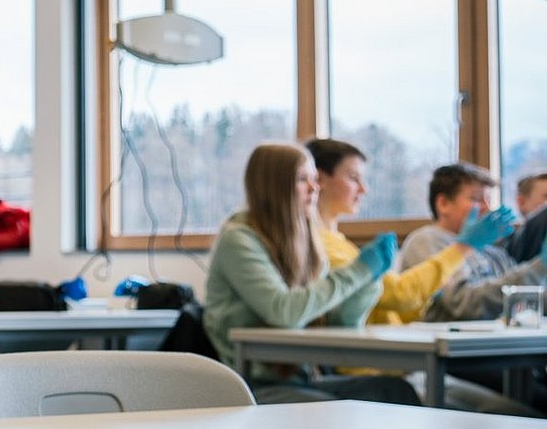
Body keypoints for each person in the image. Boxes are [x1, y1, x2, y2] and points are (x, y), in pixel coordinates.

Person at [304, 140, 525, 412]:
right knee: (507, 413)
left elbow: (392, 309)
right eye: (353, 178)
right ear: (320, 179)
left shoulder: (340, 242)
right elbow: (397, 295)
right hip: (377, 370)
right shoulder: (321, 245)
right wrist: (462, 248)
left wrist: (431, 291)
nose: (364, 189)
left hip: (399, 366)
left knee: (512, 410)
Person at [203, 142, 416, 405]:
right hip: (250, 386)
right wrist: (359, 271)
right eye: (302, 179)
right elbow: (283, 311)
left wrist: (370, 281)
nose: (315, 188)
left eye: (314, 179)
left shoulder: (305, 240)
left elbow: (340, 324)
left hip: (300, 380)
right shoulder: (238, 239)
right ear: (274, 186)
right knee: (330, 408)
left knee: (395, 390)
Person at [404, 163, 545, 322]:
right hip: (446, 337)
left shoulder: (492, 252)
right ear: (443, 203)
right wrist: (541, 266)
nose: (487, 207)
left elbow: (521, 299)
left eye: (489, 200)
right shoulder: (427, 240)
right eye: (476, 199)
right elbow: (463, 304)